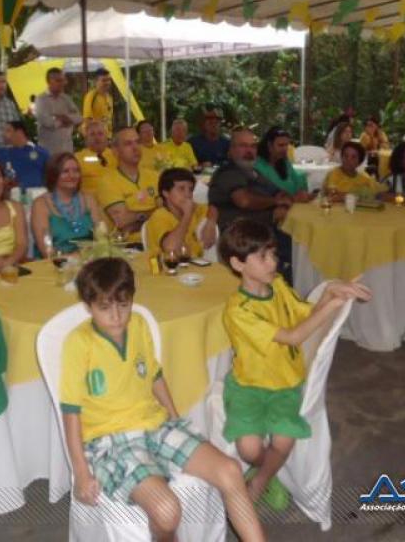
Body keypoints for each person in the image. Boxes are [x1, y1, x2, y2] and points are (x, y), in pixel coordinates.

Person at [61, 257, 264, 542]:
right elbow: (70, 411)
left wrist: (174, 417)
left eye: (124, 305)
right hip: (112, 440)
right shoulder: (78, 342)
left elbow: (155, 376)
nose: (116, 316)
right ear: (88, 306)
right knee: (167, 511)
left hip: (155, 426)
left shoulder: (140, 324)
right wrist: (81, 471)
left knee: (230, 471)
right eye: (104, 308)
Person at [217, 219, 370, 509]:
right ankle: (266, 467)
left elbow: (305, 313)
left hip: (285, 383)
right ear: (238, 264)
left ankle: (261, 480)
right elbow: (292, 336)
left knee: (284, 440)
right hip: (248, 386)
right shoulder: (238, 311)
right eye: (262, 256)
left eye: (273, 253)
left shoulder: (277, 285)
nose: (273, 261)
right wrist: (332, 305)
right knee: (248, 449)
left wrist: (331, 291)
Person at [208, 127, 293, 282]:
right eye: (243, 146)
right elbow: (244, 201)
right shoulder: (228, 172)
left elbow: (280, 193)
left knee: (303, 243)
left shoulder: (254, 172)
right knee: (297, 250)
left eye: (253, 146)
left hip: (264, 230)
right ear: (231, 150)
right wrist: (274, 206)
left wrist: (287, 200)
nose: (249, 151)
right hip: (241, 238)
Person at [32, 152, 105, 256]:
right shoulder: (40, 204)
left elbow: (102, 238)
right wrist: (73, 258)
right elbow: (46, 249)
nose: (72, 176)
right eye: (65, 171)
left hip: (90, 258)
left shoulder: (89, 200)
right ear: (53, 175)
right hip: (55, 261)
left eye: (76, 171)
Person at [96, 127, 159, 245]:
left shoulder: (155, 176)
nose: (135, 148)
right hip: (130, 246)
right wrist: (155, 214)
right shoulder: (107, 181)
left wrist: (135, 219)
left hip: (160, 240)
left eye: (138, 142)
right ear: (115, 151)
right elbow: (122, 221)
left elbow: (168, 211)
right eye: (128, 144)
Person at [144, 168, 218, 258]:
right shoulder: (159, 216)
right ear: (166, 193)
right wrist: (187, 215)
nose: (188, 194)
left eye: (190, 189)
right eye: (181, 189)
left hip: (197, 263)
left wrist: (211, 222)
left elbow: (214, 207)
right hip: (168, 265)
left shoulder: (196, 208)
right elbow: (171, 248)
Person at [255, 127, 312, 202]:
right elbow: (268, 194)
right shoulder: (258, 165)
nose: (285, 149)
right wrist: (293, 198)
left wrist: (302, 191)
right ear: (269, 146)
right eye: (281, 145)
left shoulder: (284, 162)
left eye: (287, 145)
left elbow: (296, 180)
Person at [34, 67, 82, 154]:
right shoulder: (41, 100)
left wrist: (59, 117)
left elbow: (79, 118)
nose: (62, 83)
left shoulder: (66, 99)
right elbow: (48, 122)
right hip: (48, 150)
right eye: (58, 80)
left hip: (67, 149)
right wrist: (68, 120)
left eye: (63, 80)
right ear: (49, 82)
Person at [0, 120, 50, 190]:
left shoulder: (41, 153)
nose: (3, 134)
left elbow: (51, 176)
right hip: (11, 194)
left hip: (38, 193)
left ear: (19, 132)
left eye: (8, 131)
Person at [75, 120, 117, 195]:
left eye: (100, 134)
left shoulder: (116, 155)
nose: (97, 137)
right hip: (89, 199)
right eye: (92, 134)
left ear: (106, 137)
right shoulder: (77, 158)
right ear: (86, 139)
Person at [81, 68, 114, 138]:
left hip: (107, 136)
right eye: (104, 80)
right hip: (95, 137)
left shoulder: (109, 97)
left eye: (109, 80)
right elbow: (87, 119)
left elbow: (108, 119)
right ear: (96, 81)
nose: (107, 83)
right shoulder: (91, 96)